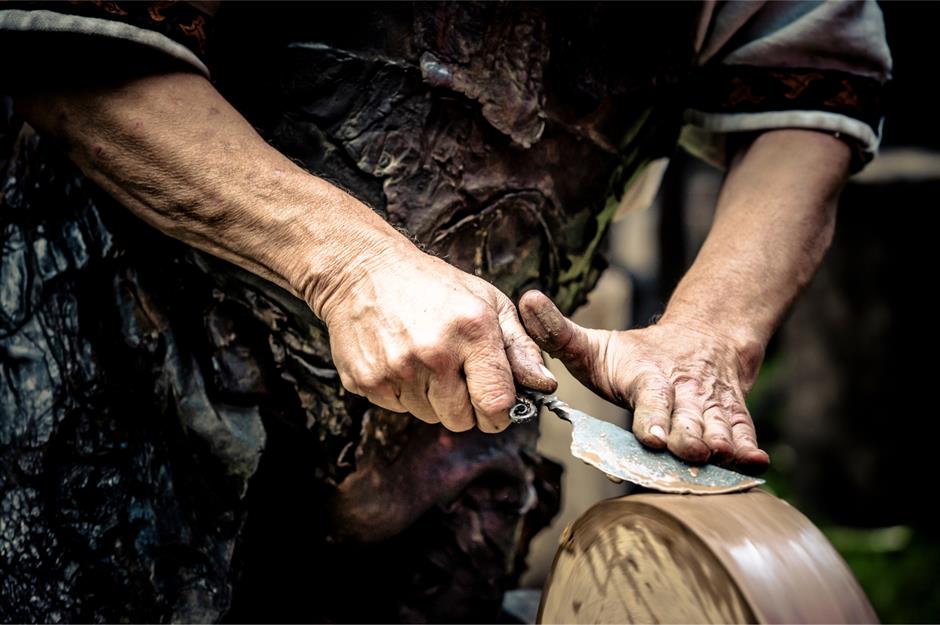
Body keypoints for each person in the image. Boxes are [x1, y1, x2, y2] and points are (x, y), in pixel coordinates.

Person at [0, 1, 890, 622]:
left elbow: (810, 92)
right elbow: (75, 51)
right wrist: (346, 265)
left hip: (445, 453)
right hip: (109, 408)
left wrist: (713, 329)